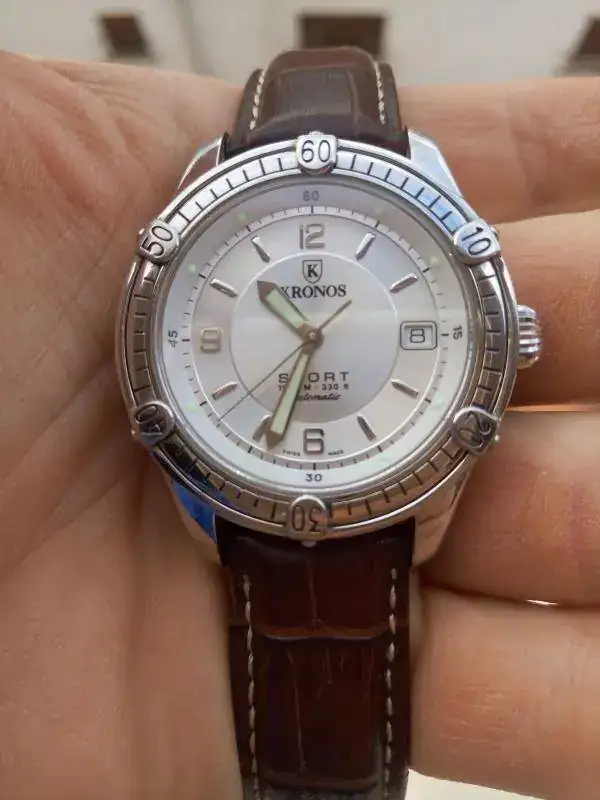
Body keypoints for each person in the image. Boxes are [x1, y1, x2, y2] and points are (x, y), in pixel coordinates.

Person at [0, 49, 598, 800]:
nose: (311, 336)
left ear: (515, 333)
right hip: (247, 492)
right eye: (301, 328)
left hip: (333, 480)